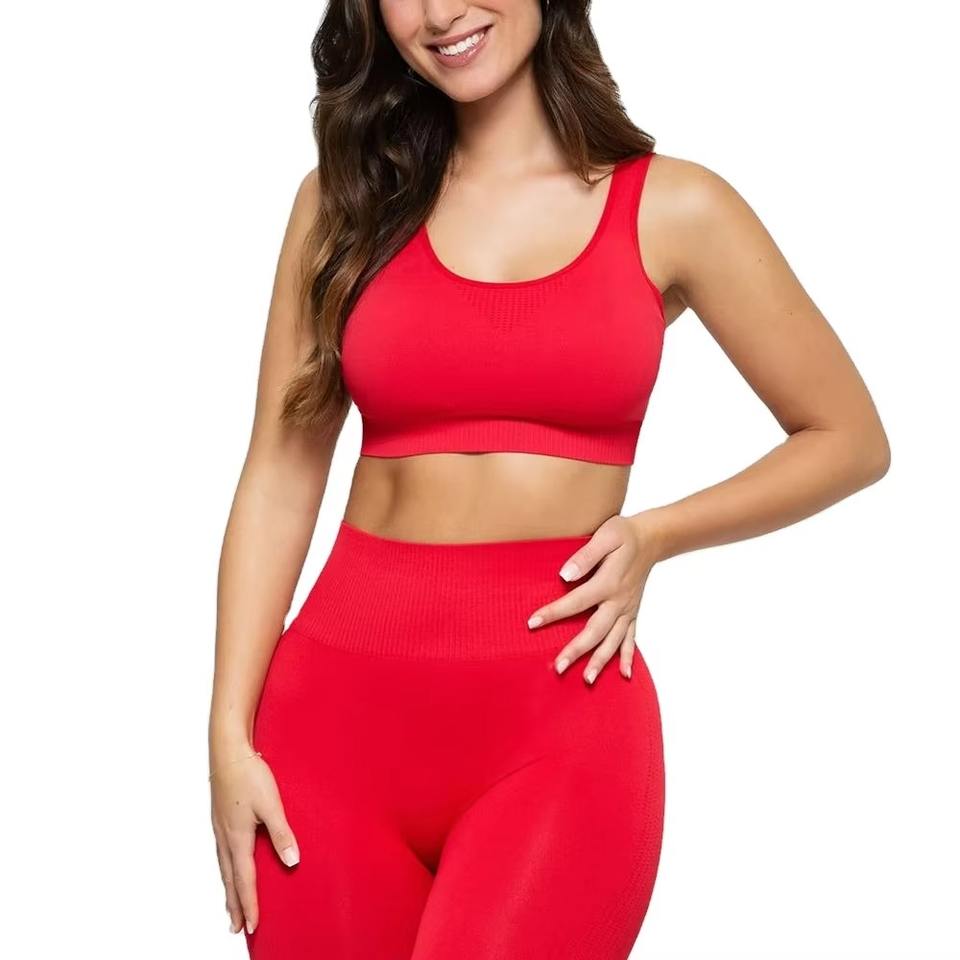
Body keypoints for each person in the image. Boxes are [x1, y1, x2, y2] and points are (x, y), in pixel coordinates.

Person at [207, 2, 891, 957]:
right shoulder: (342, 204)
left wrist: (657, 535)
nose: (441, 12)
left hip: (556, 727)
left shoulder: (674, 207)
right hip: (326, 737)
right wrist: (227, 736)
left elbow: (848, 436)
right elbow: (279, 476)